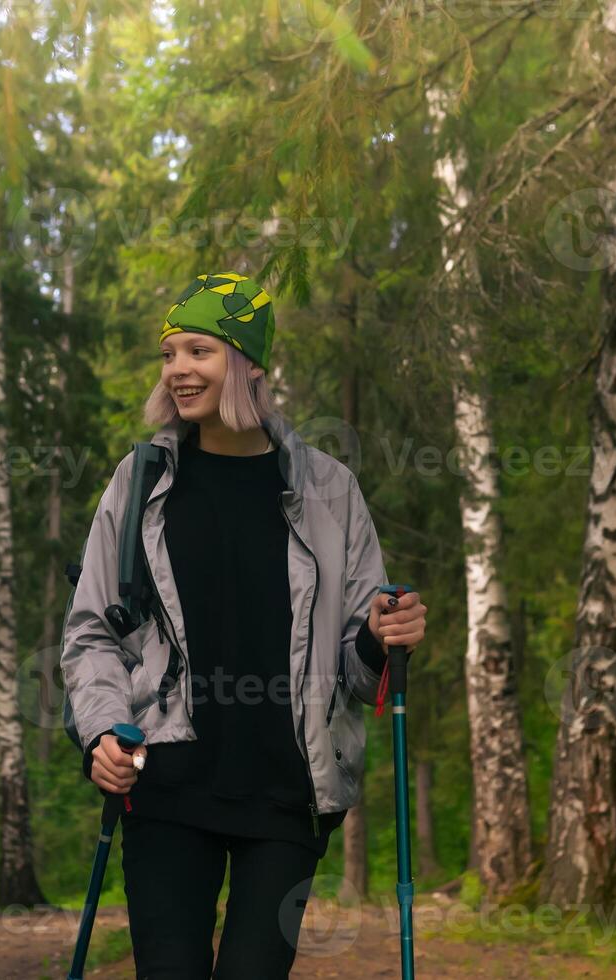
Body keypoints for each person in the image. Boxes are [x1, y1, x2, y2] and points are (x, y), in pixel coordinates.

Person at [61, 273, 428, 979]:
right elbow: (90, 634)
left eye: (198, 350)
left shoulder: (329, 490)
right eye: (168, 354)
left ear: (249, 364)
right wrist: (103, 731)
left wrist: (380, 634)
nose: (177, 370)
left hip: (289, 792)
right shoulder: (138, 483)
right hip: (166, 784)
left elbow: (357, 668)